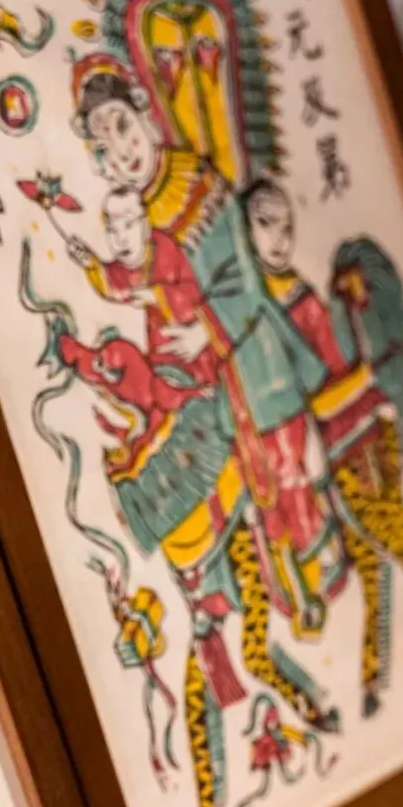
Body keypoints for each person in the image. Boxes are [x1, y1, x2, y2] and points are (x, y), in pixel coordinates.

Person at [70, 63, 343, 638]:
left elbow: (243, 279)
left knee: (281, 474)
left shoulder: (197, 184)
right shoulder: (134, 211)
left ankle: (313, 577)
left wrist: (206, 331)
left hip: (245, 357)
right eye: (105, 143)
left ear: (144, 114)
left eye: (122, 126)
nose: (122, 150)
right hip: (189, 373)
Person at [246, 179, 403, 712]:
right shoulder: (263, 310)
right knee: (376, 556)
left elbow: (328, 383)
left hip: (361, 437)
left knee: (387, 547)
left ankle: (375, 681)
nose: (279, 238)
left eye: (286, 225)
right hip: (335, 449)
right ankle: (375, 682)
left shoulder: (294, 292)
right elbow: (313, 398)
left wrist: (367, 372)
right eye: (265, 224)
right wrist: (367, 376)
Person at [67, 184, 220, 387]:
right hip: (162, 354)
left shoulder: (165, 250)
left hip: (197, 343)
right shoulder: (132, 264)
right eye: (112, 230)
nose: (121, 239)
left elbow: (192, 294)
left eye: (129, 225)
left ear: (145, 225)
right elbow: (116, 285)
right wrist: (91, 264)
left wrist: (158, 295)